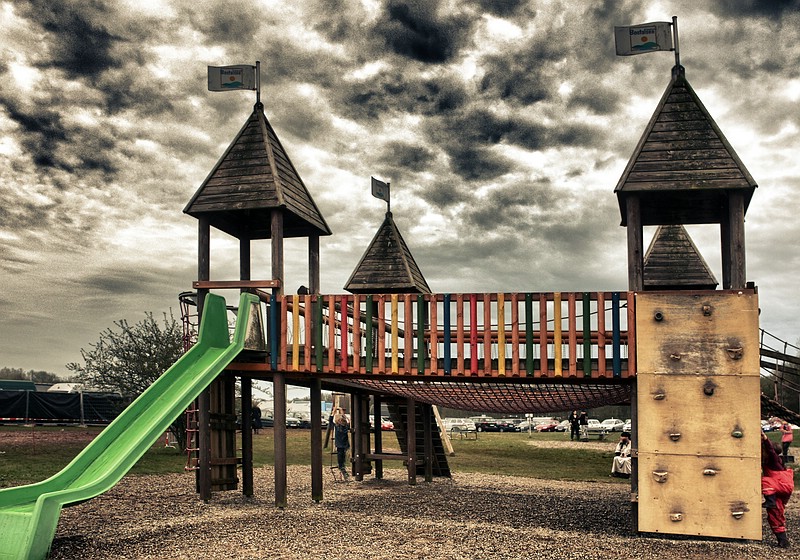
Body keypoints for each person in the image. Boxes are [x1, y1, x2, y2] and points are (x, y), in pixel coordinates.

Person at [762, 430, 793, 548]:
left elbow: (770, 450)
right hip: (782, 488)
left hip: (780, 485)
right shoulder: (778, 462)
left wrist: (765, 439)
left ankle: (770, 500)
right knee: (775, 512)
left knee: (764, 481)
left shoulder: (773, 460)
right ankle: (783, 540)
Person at [333, 410, 351, 481]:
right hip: (345, 446)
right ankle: (343, 471)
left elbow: (331, 420)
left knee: (341, 461)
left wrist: (334, 412)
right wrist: (343, 414)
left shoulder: (337, 428)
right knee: (342, 459)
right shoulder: (345, 427)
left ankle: (343, 471)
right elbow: (348, 421)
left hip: (340, 446)